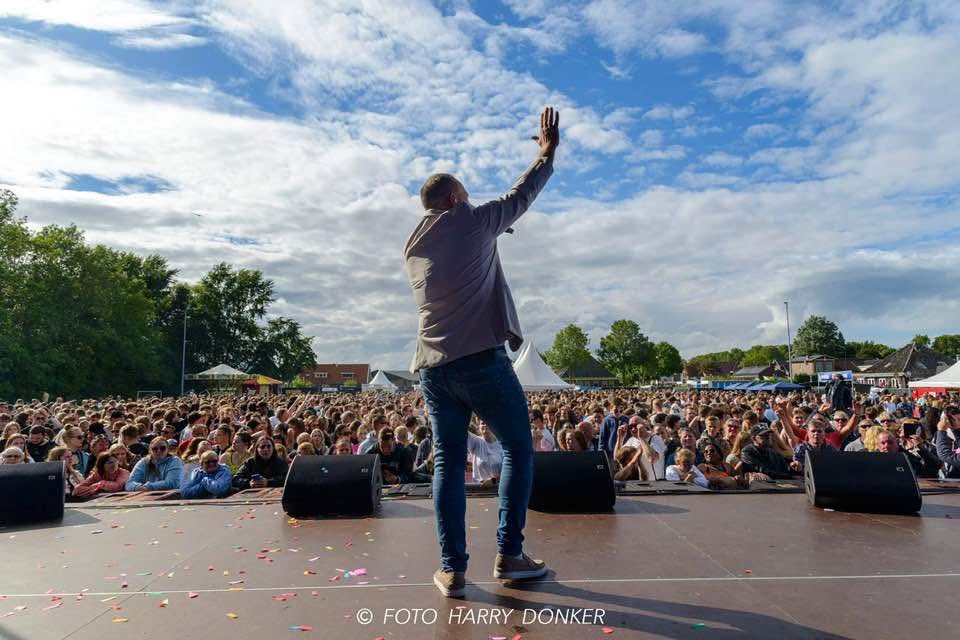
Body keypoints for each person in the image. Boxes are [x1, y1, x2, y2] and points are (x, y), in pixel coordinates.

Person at [405, 107, 559, 597]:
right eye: (466, 196)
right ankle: (509, 554)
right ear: (454, 198)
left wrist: (492, 231)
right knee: (516, 447)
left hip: (433, 367)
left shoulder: (414, 244)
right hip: (479, 362)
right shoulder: (468, 218)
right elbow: (518, 197)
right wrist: (545, 154)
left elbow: (467, 243)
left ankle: (452, 570)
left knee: (449, 462)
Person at [467, 421, 503, 486]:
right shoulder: (476, 441)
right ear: (479, 427)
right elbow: (460, 429)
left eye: (488, 421)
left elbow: (509, 470)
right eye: (483, 423)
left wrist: (493, 481)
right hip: (479, 490)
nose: (485, 425)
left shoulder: (502, 444)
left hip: (499, 489)